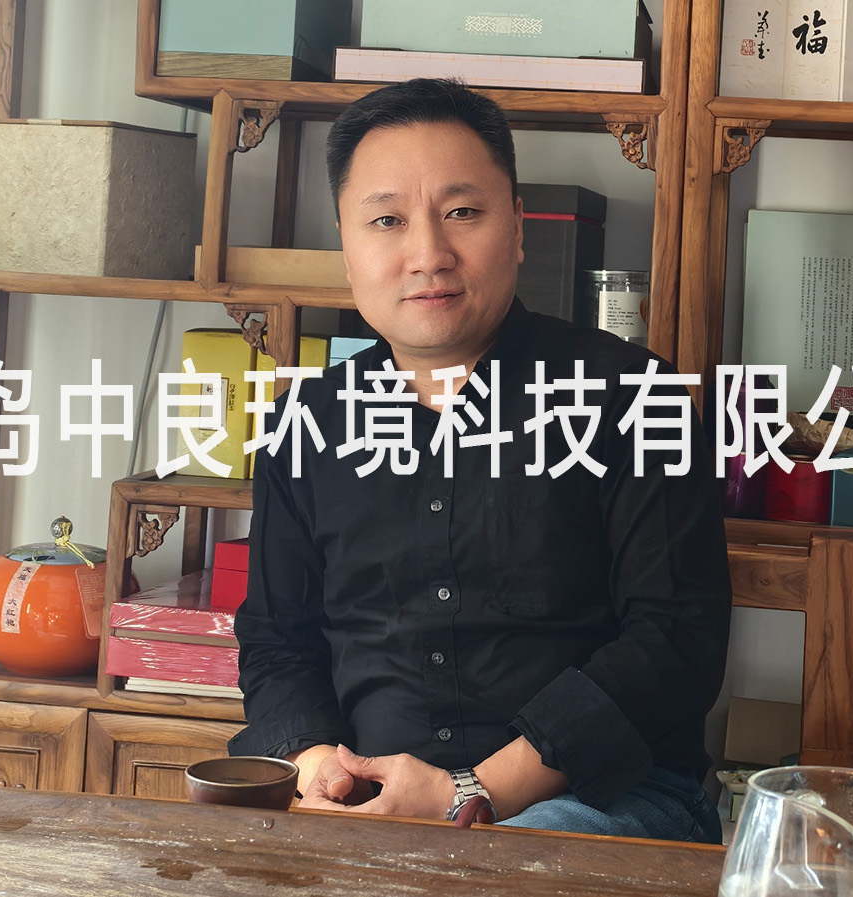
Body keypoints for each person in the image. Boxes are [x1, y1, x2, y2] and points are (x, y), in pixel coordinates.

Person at [227, 78, 731, 841]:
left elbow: (676, 639)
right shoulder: (306, 424)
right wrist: (317, 763)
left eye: (462, 212)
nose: (429, 254)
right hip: (368, 809)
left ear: (518, 227)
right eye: (387, 220)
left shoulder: (633, 396)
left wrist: (470, 791)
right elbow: (276, 640)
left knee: (511, 867)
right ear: (347, 246)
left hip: (604, 801)